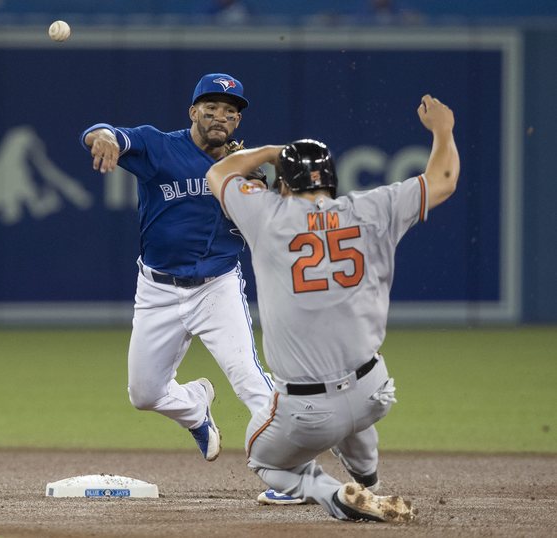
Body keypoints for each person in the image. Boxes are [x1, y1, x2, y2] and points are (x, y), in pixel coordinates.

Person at [205, 94, 459, 522]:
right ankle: (370, 485)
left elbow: (220, 170)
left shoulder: (265, 215)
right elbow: (443, 180)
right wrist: (443, 130)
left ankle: (330, 493)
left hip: (307, 413)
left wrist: (270, 152)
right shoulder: (373, 208)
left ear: (284, 184)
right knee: (354, 418)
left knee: (262, 459)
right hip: (373, 391)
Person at [80, 73, 274, 463]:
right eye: (212, 107)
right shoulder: (160, 145)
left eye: (231, 112)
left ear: (237, 122)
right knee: (145, 394)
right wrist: (100, 136)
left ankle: (292, 469)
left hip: (216, 287)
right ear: (193, 111)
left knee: (250, 379)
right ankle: (195, 408)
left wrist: (257, 195)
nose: (221, 116)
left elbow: (267, 230)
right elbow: (104, 133)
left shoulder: (242, 169)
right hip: (157, 289)